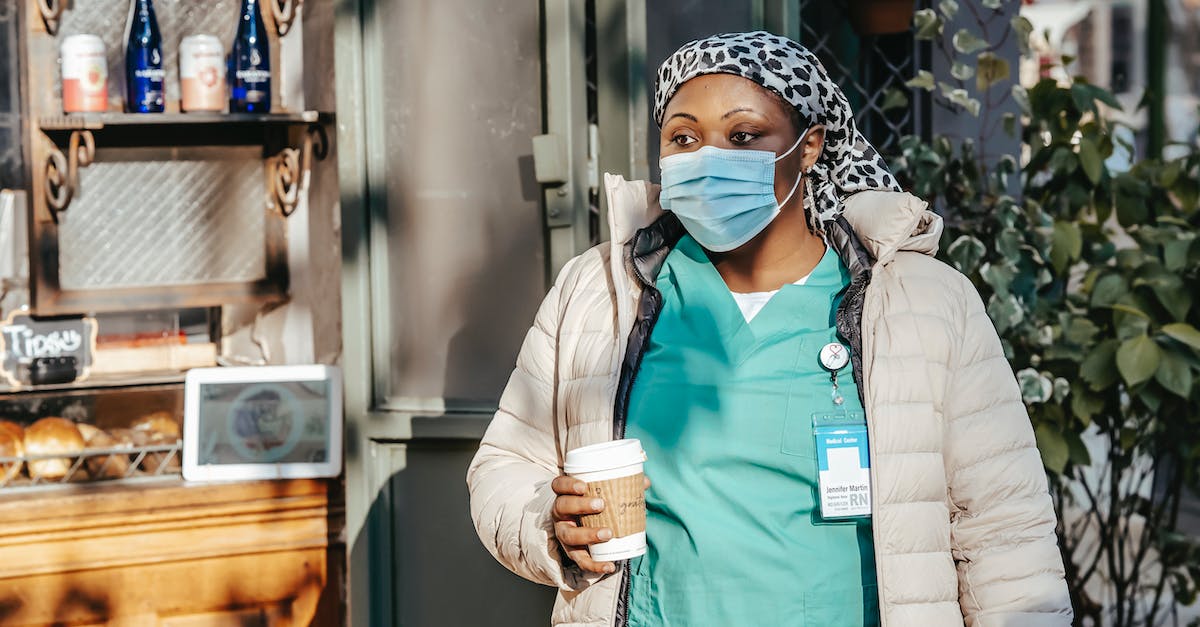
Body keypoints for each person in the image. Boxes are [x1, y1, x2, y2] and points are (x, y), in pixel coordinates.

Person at [468, 31, 1072, 627]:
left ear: (809, 147)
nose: (708, 158)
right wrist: (552, 524)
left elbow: (1004, 531)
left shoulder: (922, 304)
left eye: (742, 135)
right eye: (684, 137)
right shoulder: (598, 292)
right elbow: (503, 467)